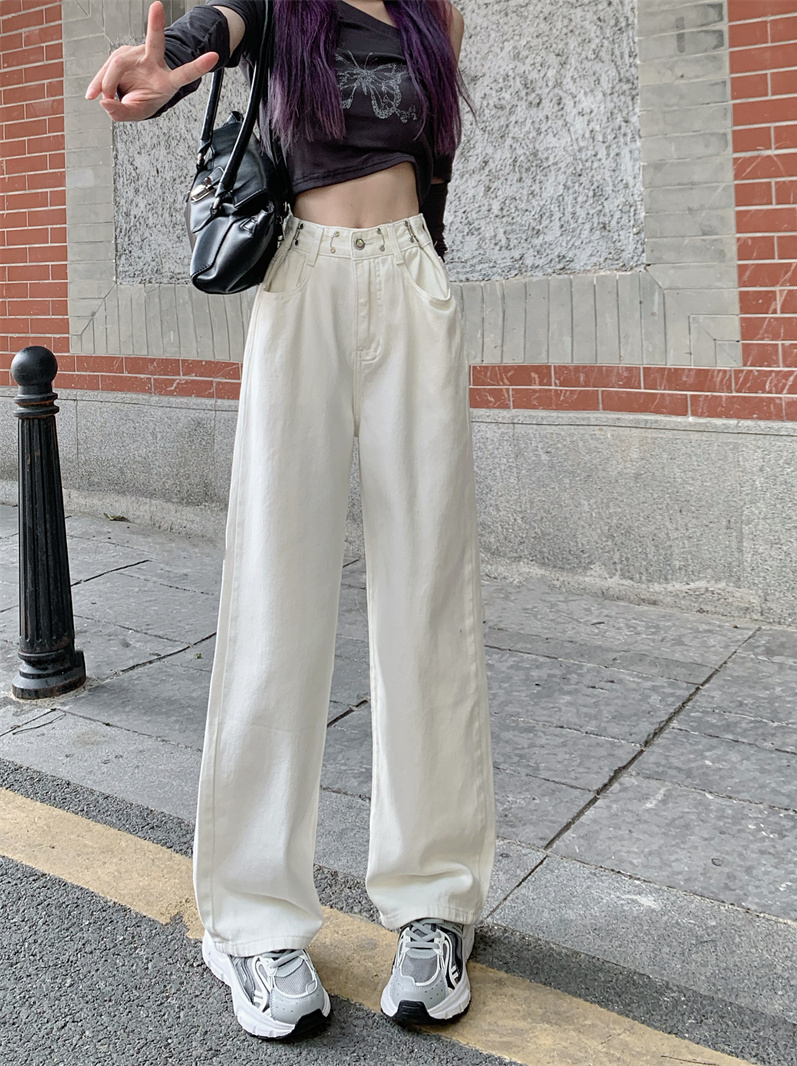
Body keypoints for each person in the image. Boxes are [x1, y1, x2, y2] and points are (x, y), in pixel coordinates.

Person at [86, 0, 496, 1042]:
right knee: (278, 593)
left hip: (411, 281)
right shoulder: (278, 6)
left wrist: (425, 282)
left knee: (428, 597)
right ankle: (252, 918)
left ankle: (438, 899)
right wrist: (162, 70)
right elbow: (207, 33)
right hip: (303, 280)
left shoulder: (433, 15)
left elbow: (435, 166)